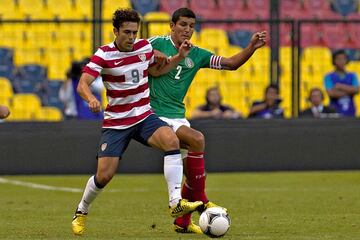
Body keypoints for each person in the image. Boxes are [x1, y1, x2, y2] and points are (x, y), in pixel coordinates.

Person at [71, 8, 203, 236]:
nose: (132, 38)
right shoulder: (104, 54)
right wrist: (91, 98)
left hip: (144, 116)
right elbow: (83, 84)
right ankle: (81, 211)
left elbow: (158, 71)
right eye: (127, 33)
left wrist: (178, 58)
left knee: (171, 139)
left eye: (135, 32)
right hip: (117, 123)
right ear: (115, 31)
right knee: (104, 176)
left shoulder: (144, 47)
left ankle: (175, 203)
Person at [148, 7, 266, 233]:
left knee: (193, 172)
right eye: (183, 25)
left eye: (192, 26)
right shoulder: (155, 43)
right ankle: (202, 200)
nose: (187, 30)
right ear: (172, 26)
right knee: (198, 140)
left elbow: (231, 64)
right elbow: (134, 53)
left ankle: (182, 223)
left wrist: (251, 47)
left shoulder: (197, 53)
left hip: (178, 116)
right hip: (154, 114)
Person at [324, 49, 359, 117]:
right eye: (338, 59)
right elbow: (331, 93)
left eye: (343, 59)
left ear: (347, 60)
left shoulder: (353, 75)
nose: (341, 61)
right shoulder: (328, 76)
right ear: (334, 60)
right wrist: (350, 91)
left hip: (351, 110)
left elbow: (357, 90)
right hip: (334, 111)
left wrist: (340, 86)